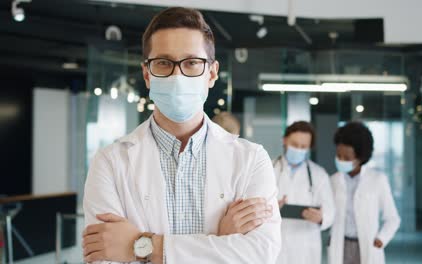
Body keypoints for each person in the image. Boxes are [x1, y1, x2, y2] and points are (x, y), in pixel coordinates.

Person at [81, 7, 281, 264]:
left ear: (211, 73)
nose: (178, 76)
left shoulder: (252, 160)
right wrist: (220, 241)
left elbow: (260, 254)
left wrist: (142, 247)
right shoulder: (109, 162)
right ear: (147, 74)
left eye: (191, 63)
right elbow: (103, 259)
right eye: (163, 63)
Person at [328, 122, 400, 264]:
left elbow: (393, 218)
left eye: (347, 158)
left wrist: (381, 239)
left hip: (368, 245)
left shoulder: (378, 180)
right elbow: (327, 214)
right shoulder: (333, 181)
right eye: (339, 155)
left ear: (360, 158)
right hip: (340, 245)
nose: (341, 160)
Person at [273, 121, 335, 264]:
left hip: (306, 247)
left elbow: (330, 211)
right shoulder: (269, 168)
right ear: (285, 140)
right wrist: (271, 207)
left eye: (303, 147)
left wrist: (321, 217)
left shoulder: (319, 175)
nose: (298, 149)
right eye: (295, 145)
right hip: (276, 245)